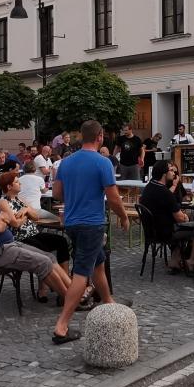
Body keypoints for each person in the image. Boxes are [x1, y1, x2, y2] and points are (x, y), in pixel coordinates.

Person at [50, 120, 129, 345]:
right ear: (100, 137)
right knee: (82, 272)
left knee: (98, 263)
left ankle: (108, 302)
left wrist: (75, 197)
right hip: (91, 223)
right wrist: (123, 217)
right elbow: (113, 197)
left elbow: (56, 193)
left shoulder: (66, 162)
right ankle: (62, 325)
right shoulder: (102, 162)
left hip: (72, 222)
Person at [0, 172, 69, 306]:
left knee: (49, 257)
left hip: (10, 244)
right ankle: (70, 299)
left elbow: (5, 219)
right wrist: (3, 219)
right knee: (43, 262)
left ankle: (74, 292)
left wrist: (3, 219)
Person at [0, 172, 73, 301]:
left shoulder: (21, 199)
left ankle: (65, 281)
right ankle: (44, 290)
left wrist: (25, 211)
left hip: (34, 233)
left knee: (61, 241)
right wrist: (27, 214)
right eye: (17, 182)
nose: (20, 184)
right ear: (9, 186)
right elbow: (15, 224)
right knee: (43, 250)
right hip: (20, 239)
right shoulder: (2, 203)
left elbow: (36, 216)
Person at [139, 162, 194, 272]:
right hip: (166, 232)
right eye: (171, 170)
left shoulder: (148, 188)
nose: (174, 173)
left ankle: (175, 261)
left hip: (151, 231)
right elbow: (180, 218)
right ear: (164, 174)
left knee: (185, 222)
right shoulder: (165, 193)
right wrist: (185, 217)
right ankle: (191, 261)